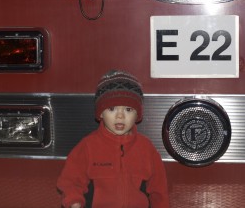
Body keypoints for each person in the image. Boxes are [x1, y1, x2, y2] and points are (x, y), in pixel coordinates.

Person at [57, 69, 169, 208]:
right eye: (112, 109)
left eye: (128, 109)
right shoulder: (88, 146)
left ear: (138, 115)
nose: (120, 116)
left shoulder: (147, 148)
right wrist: (74, 202)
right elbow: (70, 182)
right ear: (101, 113)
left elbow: (159, 190)